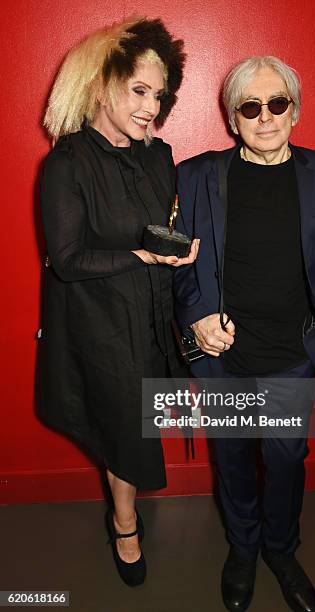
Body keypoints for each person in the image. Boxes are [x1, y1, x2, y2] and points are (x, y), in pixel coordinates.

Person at [173, 56, 315, 612]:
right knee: (230, 460)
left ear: (295, 112)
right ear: (233, 117)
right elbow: (178, 261)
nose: (266, 116)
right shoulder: (199, 174)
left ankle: (281, 549)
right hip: (224, 356)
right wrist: (197, 316)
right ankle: (243, 550)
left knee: (285, 461)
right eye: (251, 106)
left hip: (290, 353)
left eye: (278, 104)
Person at [36, 16, 199, 587]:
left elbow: (162, 228)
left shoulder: (159, 156)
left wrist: (180, 250)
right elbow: (69, 259)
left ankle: (124, 504)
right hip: (98, 324)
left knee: (138, 422)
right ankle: (124, 521)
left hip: (149, 313)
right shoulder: (67, 163)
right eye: (139, 90)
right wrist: (143, 257)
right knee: (122, 424)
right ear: (101, 85)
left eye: (158, 94)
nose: (151, 106)